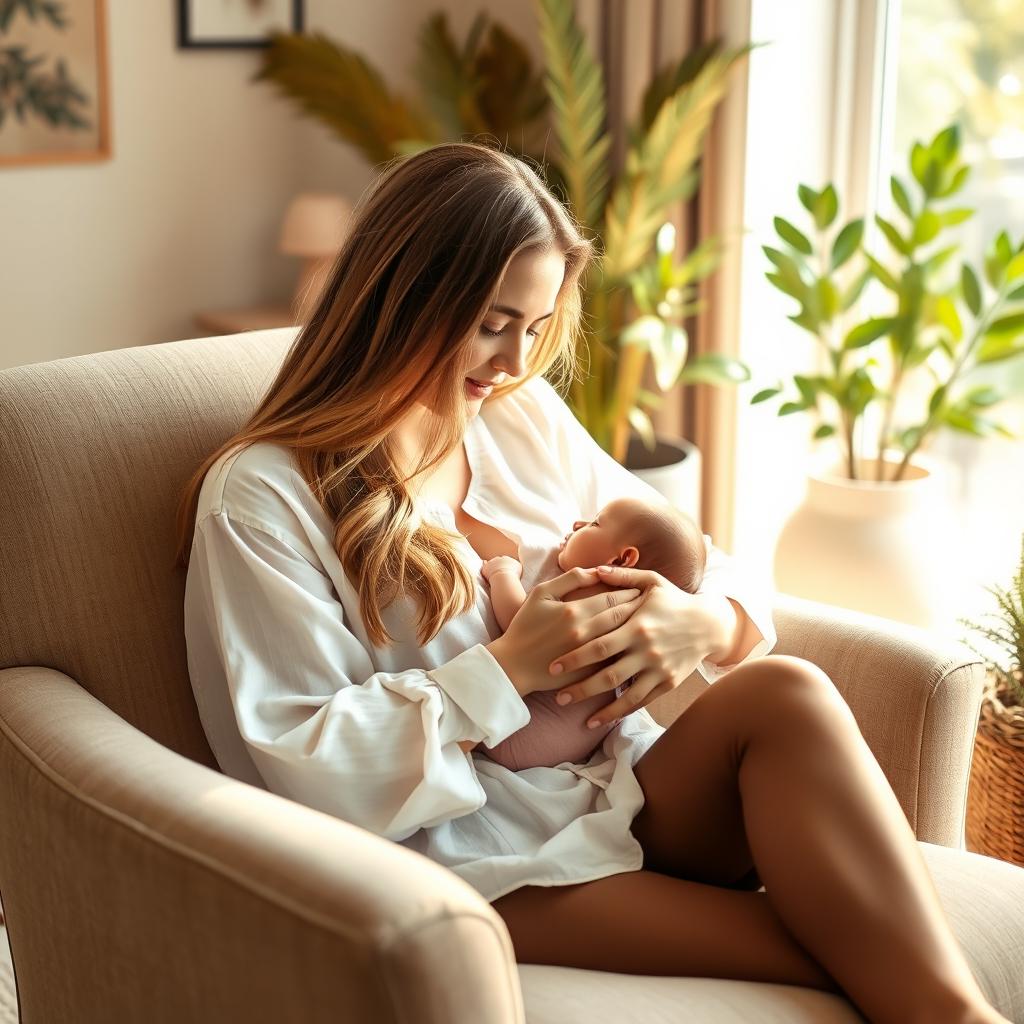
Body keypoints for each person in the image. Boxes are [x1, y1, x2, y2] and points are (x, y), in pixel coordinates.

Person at [176, 142, 1009, 1024]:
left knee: (787, 693)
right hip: (468, 856)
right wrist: (505, 670)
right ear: (405, 293)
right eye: (494, 321)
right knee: (847, 955)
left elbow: (691, 552)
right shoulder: (266, 497)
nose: (511, 361)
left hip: (622, 790)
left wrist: (697, 624)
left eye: (535, 329)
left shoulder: (519, 420)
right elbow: (304, 763)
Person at [474, 496, 708, 771]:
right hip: (579, 743)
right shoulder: (644, 618)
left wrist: (503, 574)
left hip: (517, 738)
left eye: (595, 523)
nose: (578, 523)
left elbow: (519, 625)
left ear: (623, 559)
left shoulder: (597, 596)